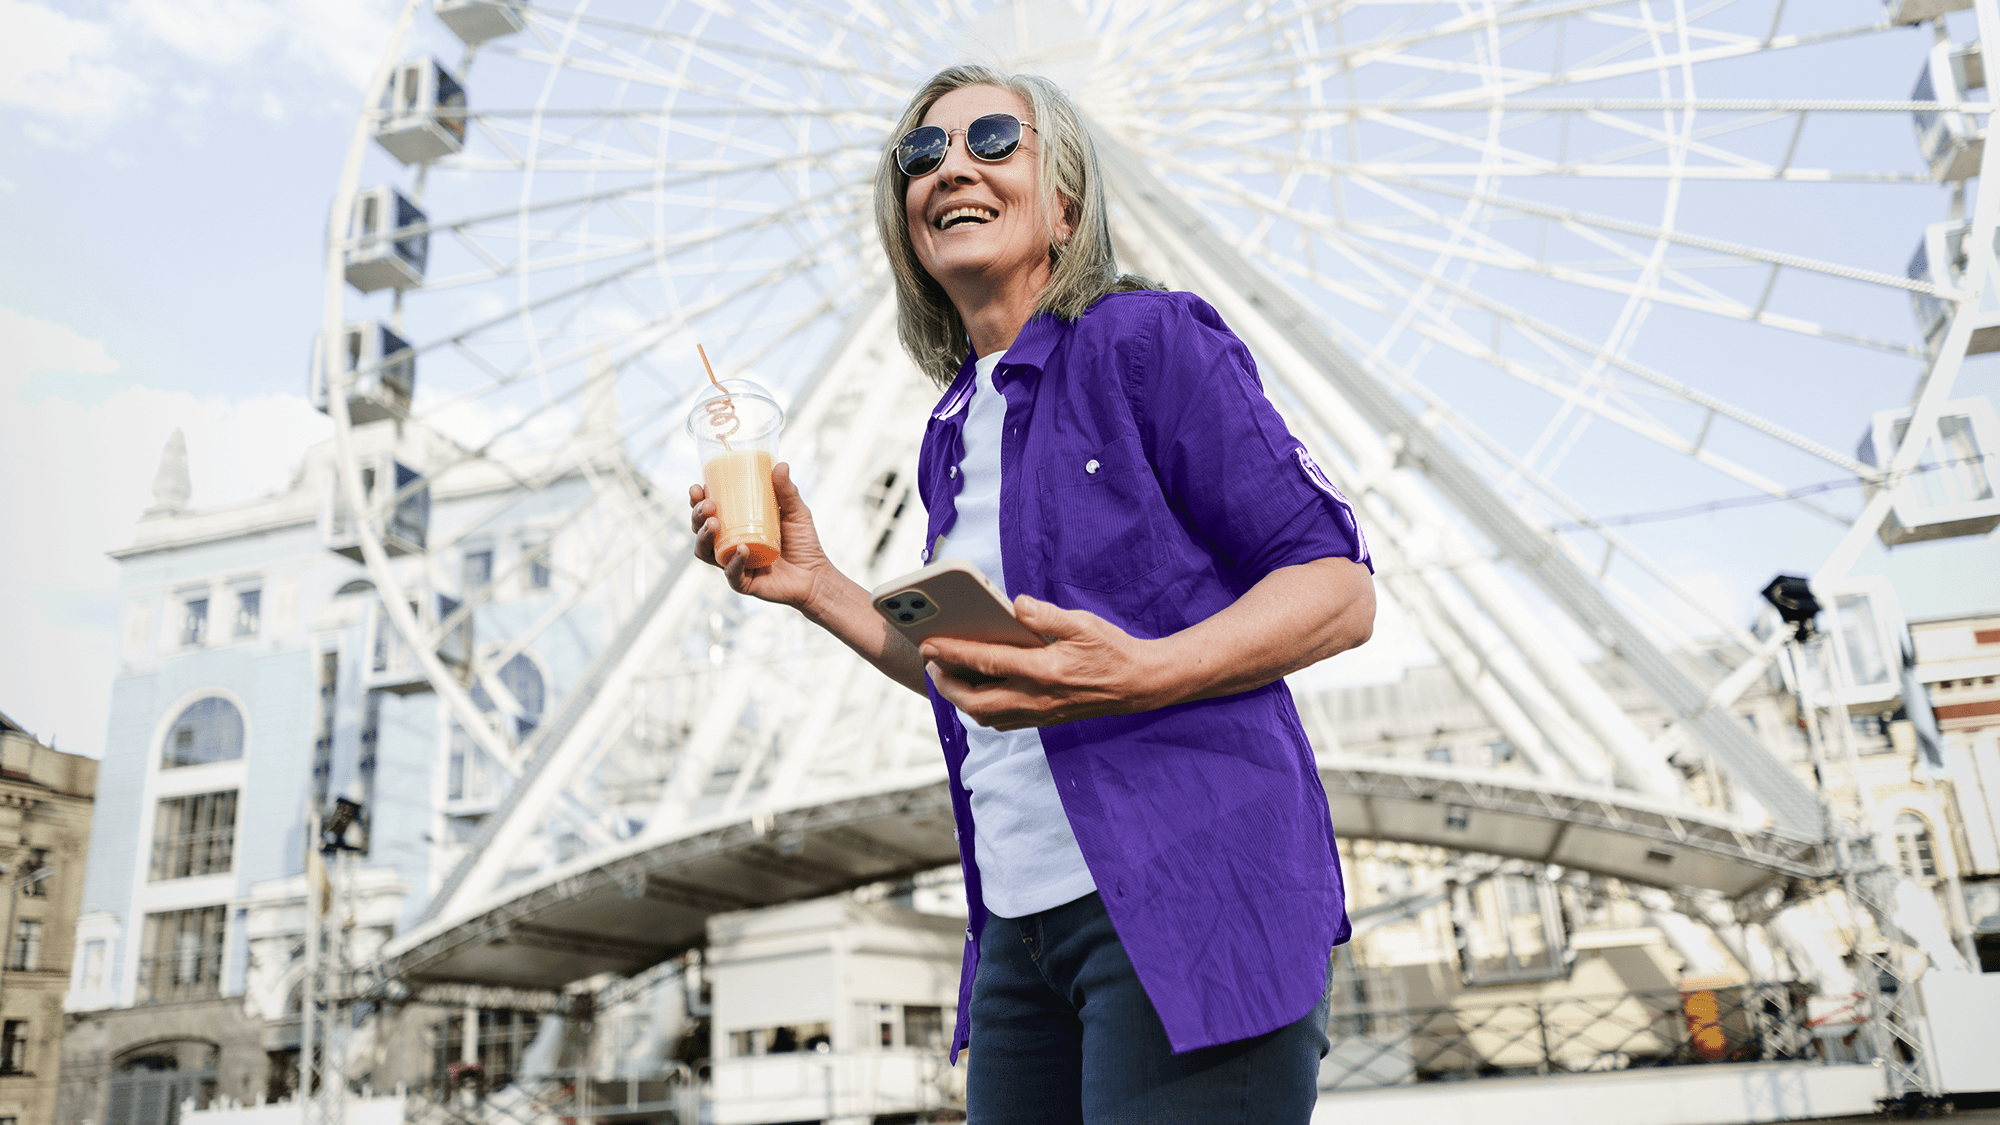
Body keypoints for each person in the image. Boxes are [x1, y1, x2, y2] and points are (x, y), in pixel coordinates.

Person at [688, 63, 1375, 1125]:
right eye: (921, 155)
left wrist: (1143, 672)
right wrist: (817, 585)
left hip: (1187, 895)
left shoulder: (1145, 342)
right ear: (904, 218)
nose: (950, 167)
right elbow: (980, 673)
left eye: (992, 140)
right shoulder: (951, 428)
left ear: (1064, 201)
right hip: (1014, 929)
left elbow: (1334, 589)